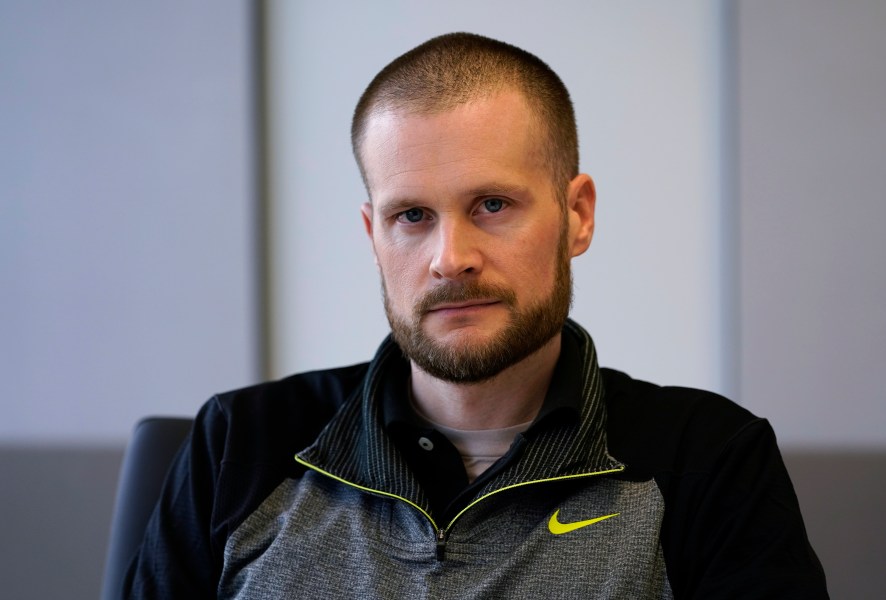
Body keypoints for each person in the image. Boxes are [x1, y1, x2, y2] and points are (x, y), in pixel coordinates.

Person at [124, 33, 828, 598]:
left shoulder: (707, 461)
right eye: (412, 216)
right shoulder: (239, 447)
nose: (450, 257)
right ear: (374, 236)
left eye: (492, 205)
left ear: (577, 215)